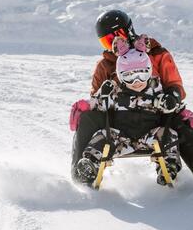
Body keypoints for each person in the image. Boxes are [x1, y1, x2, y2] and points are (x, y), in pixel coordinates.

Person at [70, 9, 193, 186]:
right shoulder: (105, 65)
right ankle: (82, 171)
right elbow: (98, 98)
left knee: (180, 121)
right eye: (107, 41)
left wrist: (172, 96)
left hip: (156, 117)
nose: (114, 43)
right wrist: (94, 101)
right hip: (118, 123)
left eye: (117, 35)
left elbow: (175, 83)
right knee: (88, 118)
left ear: (129, 30)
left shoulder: (157, 54)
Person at [73, 39, 183, 186]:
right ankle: (90, 165)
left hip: (149, 136)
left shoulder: (156, 91)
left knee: (168, 134)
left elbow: (171, 107)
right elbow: (98, 106)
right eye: (129, 76)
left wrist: (172, 103)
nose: (136, 81)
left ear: (149, 72)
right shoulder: (115, 91)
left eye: (142, 75)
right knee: (102, 137)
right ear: (120, 75)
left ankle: (169, 167)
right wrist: (102, 94)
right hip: (120, 138)